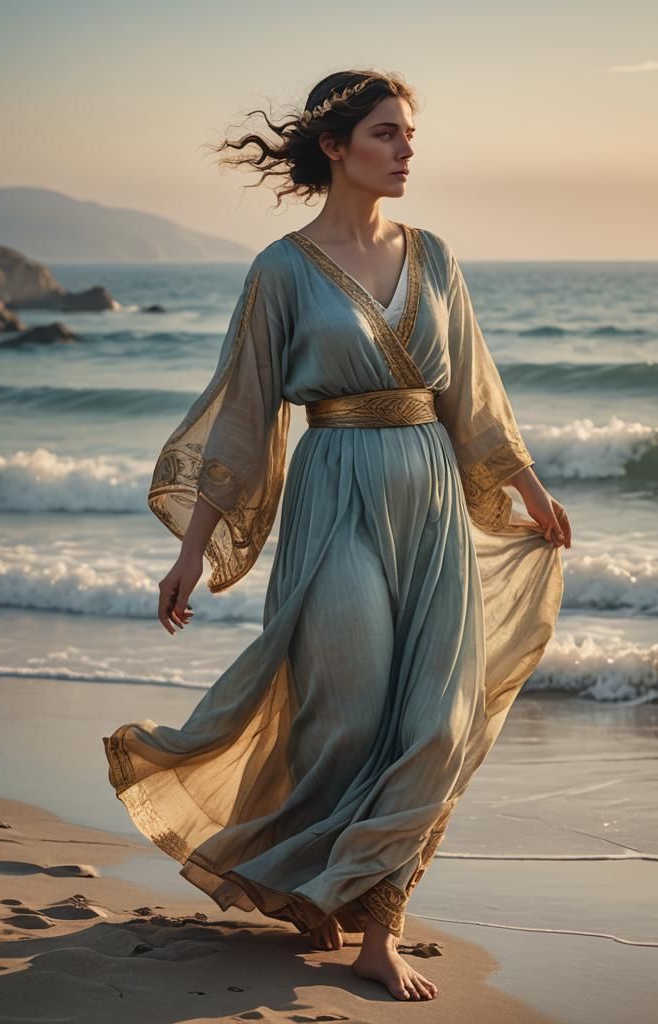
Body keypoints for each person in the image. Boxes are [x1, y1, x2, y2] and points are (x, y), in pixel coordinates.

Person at [103, 68, 570, 1003]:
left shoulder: (434, 256)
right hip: (335, 490)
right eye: (387, 135)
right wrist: (191, 552)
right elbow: (243, 416)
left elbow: (472, 392)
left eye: (409, 137)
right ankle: (325, 885)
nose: (406, 153)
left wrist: (527, 488)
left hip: (431, 491)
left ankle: (376, 928)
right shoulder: (280, 269)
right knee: (351, 714)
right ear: (335, 146)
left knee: (437, 721)